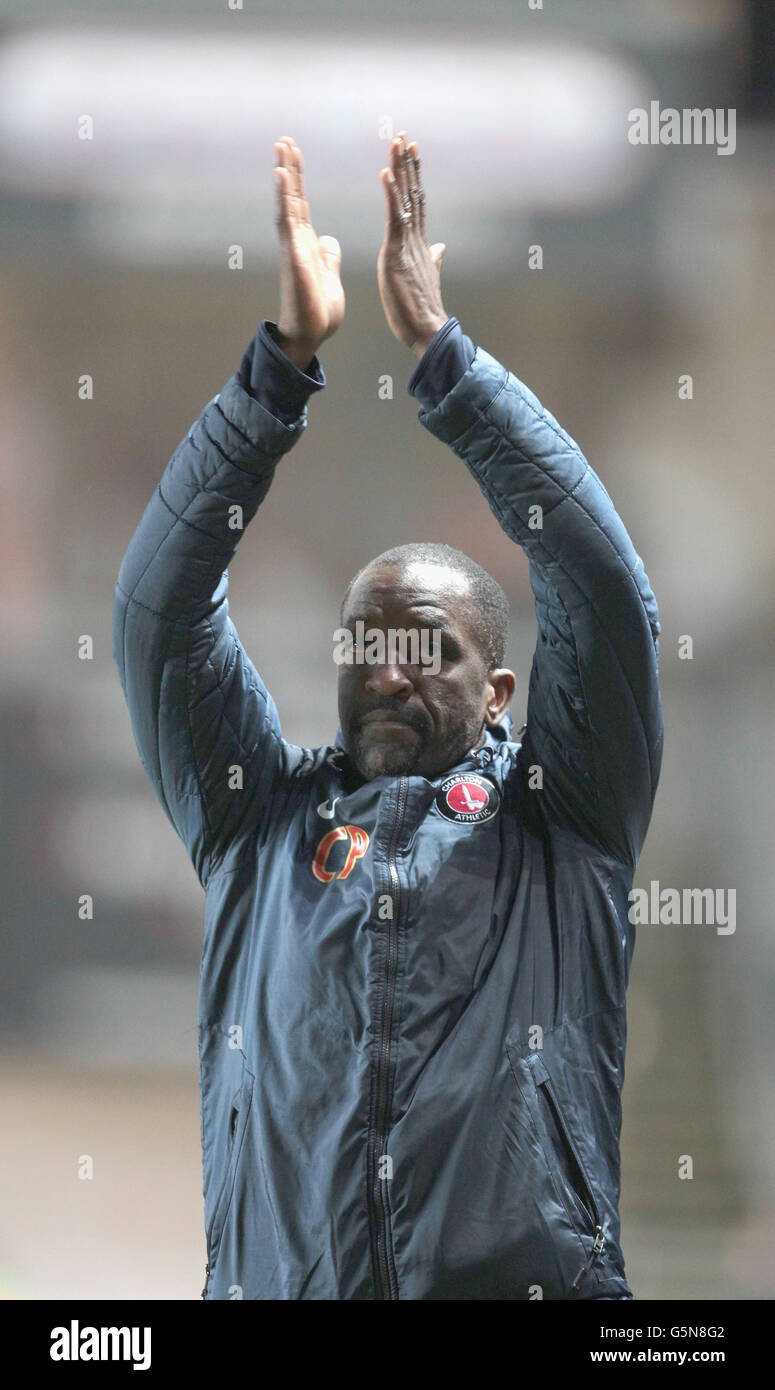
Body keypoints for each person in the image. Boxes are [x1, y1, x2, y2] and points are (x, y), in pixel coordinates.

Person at [113, 131, 663, 1300]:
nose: (392, 671)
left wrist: (445, 363)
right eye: (369, 643)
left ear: (500, 691)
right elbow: (159, 612)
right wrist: (276, 377)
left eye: (430, 648)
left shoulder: (566, 820)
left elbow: (602, 592)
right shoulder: (256, 824)